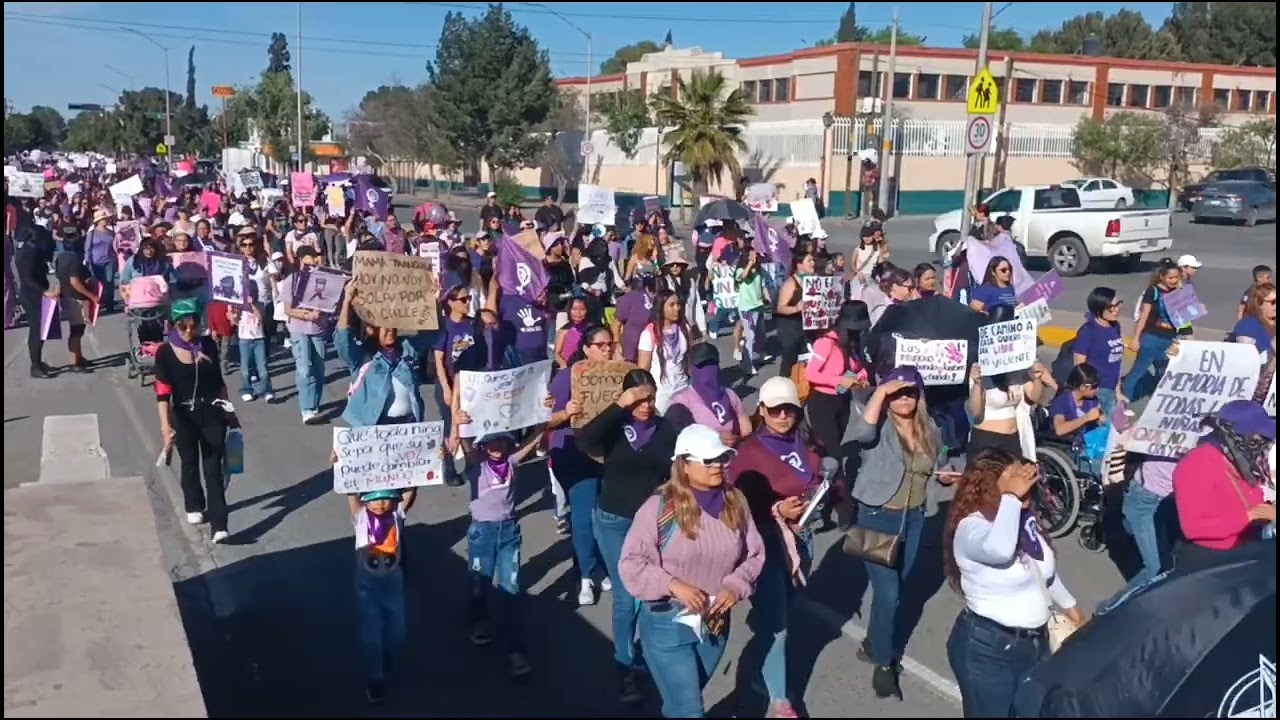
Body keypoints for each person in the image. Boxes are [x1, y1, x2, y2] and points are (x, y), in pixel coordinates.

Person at [619, 424, 765, 719]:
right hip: (667, 624)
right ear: (684, 464)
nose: (717, 466)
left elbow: (755, 554)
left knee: (681, 702)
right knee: (689, 710)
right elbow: (631, 562)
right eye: (708, 460)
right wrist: (673, 585)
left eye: (721, 458)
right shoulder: (659, 508)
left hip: (715, 625)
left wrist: (736, 584)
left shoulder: (736, 502)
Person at [944, 448, 1085, 718]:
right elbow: (1000, 550)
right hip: (988, 649)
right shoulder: (970, 528)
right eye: (1014, 478)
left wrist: (1073, 609)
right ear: (988, 486)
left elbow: (1044, 571)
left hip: (1036, 644)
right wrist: (1010, 497)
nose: (1024, 484)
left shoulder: (1022, 519)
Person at [845, 367, 948, 699]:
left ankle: (874, 641)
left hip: (914, 519)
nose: (904, 398)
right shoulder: (878, 426)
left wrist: (942, 474)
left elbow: (935, 464)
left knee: (896, 589)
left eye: (910, 392)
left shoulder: (930, 428)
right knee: (888, 593)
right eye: (897, 392)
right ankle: (885, 663)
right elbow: (861, 434)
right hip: (876, 517)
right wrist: (880, 390)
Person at [577, 370, 679, 704]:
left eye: (649, 398)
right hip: (614, 520)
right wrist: (619, 406)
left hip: (653, 523)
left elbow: (679, 469)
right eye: (637, 399)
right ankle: (624, 665)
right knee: (626, 597)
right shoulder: (615, 428)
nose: (645, 405)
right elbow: (586, 440)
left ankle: (650, 654)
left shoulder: (666, 430)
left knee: (654, 593)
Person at [728, 376, 825, 717]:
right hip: (764, 543)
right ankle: (781, 702)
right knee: (778, 625)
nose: (784, 416)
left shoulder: (804, 445)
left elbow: (815, 480)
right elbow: (734, 505)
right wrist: (775, 509)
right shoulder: (748, 453)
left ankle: (765, 658)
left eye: (790, 409)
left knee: (790, 603)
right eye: (776, 410)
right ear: (762, 411)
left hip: (801, 539)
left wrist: (822, 493)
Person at [448, 423, 544, 679]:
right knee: (479, 582)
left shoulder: (513, 462)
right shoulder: (475, 466)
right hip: (482, 534)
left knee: (511, 589)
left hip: (509, 533)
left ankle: (515, 650)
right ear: (482, 446)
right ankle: (478, 619)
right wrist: (459, 421)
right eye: (491, 442)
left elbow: (534, 441)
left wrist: (545, 418)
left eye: (502, 441)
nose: (497, 447)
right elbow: (466, 444)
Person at [153, 298, 240, 543]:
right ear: (175, 326)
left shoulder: (208, 346)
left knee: (213, 468)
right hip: (184, 416)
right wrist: (165, 425)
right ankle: (194, 504)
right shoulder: (165, 353)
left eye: (195, 326)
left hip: (212, 413)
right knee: (189, 463)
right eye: (184, 327)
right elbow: (162, 393)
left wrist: (230, 413)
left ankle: (220, 524)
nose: (191, 332)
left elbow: (219, 383)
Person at [545, 324, 614, 606]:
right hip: (571, 453)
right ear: (586, 349)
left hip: (604, 453)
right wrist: (565, 412)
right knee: (584, 514)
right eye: (601, 345)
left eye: (610, 344)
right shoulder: (566, 379)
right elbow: (544, 420)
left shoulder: (616, 375)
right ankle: (585, 576)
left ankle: (595, 564)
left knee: (601, 514)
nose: (608, 349)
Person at [1172, 400, 1276, 569]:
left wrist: (1266, 509)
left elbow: (1245, 498)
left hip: (1245, 548)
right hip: (1215, 561)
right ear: (1235, 435)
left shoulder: (1240, 459)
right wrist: (1248, 517)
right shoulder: (1196, 464)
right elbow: (1193, 527)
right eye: (1259, 436)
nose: (1264, 442)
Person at [347, 487, 416, 705]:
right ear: (365, 500)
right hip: (367, 586)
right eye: (374, 499)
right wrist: (341, 464)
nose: (380, 504)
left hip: (392, 584)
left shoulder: (397, 515)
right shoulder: (360, 517)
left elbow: (409, 493)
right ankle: (375, 677)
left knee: (398, 632)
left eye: (386, 498)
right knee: (372, 633)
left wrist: (417, 473)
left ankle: (386, 653)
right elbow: (350, 492)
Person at [334, 285, 431, 426]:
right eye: (385, 326)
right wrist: (347, 301)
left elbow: (432, 336)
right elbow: (343, 340)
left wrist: (434, 302)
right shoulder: (362, 356)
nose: (390, 330)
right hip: (374, 427)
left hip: (407, 424)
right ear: (372, 330)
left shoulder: (407, 349)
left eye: (393, 326)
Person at [665, 343, 751, 445]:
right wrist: (715, 440)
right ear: (689, 369)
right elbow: (678, 441)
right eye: (701, 365)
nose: (708, 369)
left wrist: (736, 439)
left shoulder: (730, 395)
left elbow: (747, 431)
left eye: (712, 363)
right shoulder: (680, 402)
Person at [1071, 287, 1127, 416]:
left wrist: (1118, 392)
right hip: (1097, 392)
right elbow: (1080, 367)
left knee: (1112, 430)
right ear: (1099, 309)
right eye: (1111, 307)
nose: (1117, 309)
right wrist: (1090, 397)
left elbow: (1115, 362)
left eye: (1118, 304)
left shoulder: (1115, 326)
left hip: (1111, 389)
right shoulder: (1088, 331)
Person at [53, 229, 98, 372]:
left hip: (67, 296)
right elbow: (75, 281)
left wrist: (58, 292)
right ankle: (74, 362)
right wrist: (91, 295)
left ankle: (78, 357)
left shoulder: (60, 258)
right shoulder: (74, 259)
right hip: (76, 298)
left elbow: (60, 279)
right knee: (76, 332)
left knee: (77, 330)